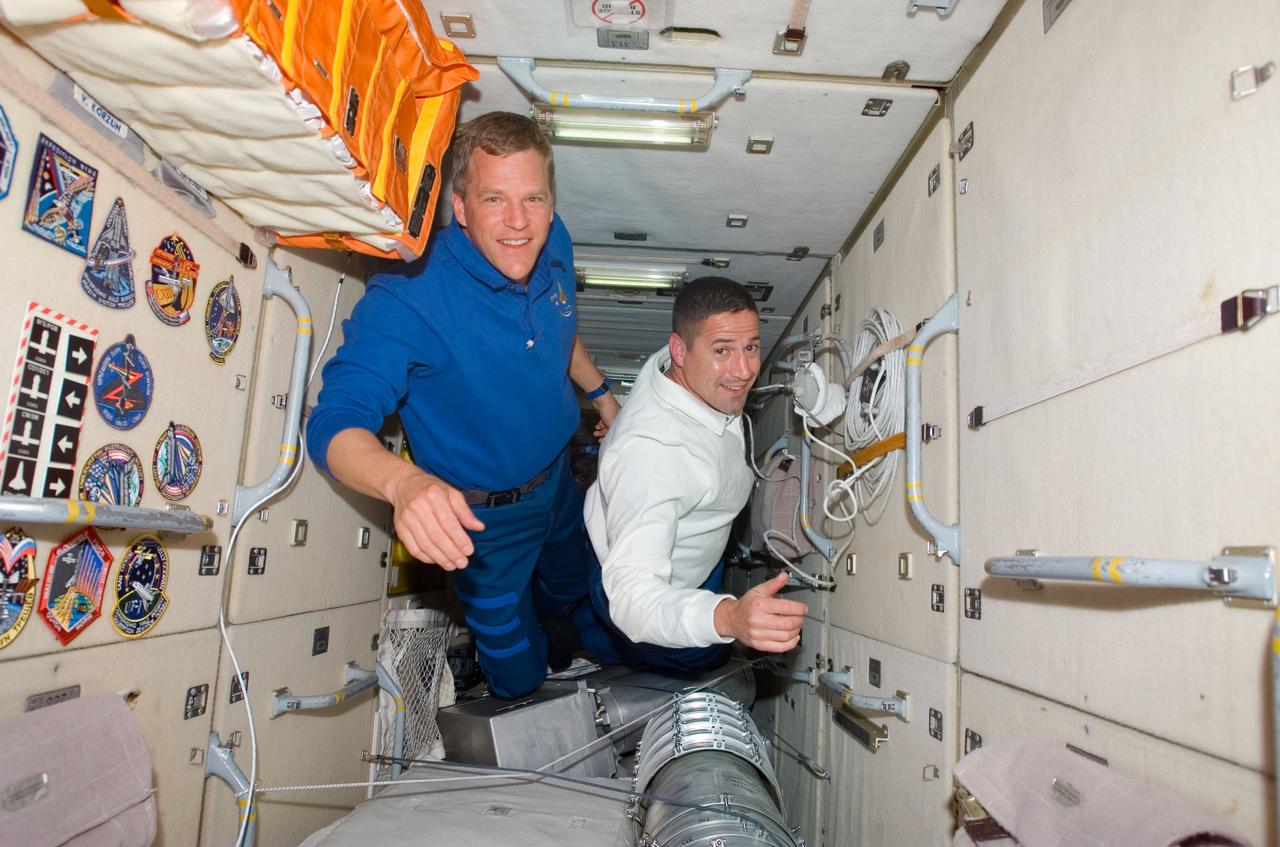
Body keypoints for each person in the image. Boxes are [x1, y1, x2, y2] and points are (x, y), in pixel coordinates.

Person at [306, 112, 620, 698]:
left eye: (534, 198)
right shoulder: (407, 297)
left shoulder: (553, 238)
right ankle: (524, 667)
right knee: (518, 678)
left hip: (556, 482)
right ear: (461, 206)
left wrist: (601, 396)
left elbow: (560, 326)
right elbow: (333, 424)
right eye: (495, 198)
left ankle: (560, 633)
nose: (519, 222)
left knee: (572, 585)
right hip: (484, 522)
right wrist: (405, 486)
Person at [580, 277, 807, 672]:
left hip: (696, 540)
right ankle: (581, 643)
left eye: (751, 346)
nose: (743, 370)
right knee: (702, 655)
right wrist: (727, 619)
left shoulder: (686, 368)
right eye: (722, 350)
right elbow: (634, 600)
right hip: (648, 580)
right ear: (679, 351)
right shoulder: (653, 456)